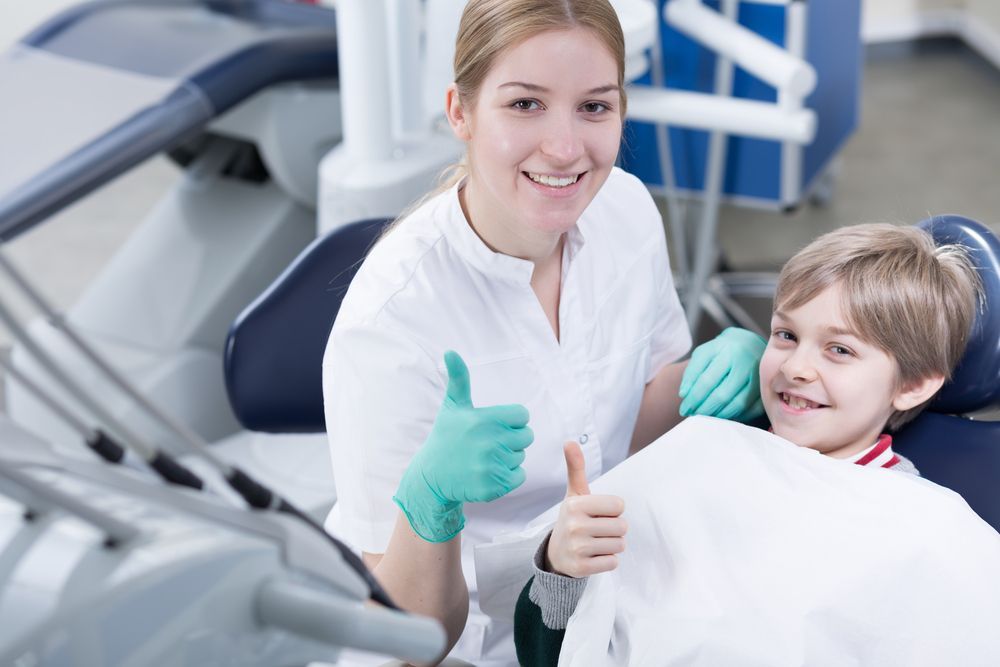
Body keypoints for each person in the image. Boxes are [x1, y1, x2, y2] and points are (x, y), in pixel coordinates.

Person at [322, 0, 766, 664]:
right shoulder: (390, 322)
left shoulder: (625, 210)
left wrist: (748, 372)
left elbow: (626, 424)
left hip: (615, 593)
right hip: (480, 642)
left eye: (594, 107)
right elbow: (407, 640)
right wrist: (430, 506)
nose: (564, 148)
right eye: (526, 104)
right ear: (460, 112)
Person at [514, 223, 982, 665]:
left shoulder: (925, 532)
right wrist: (562, 568)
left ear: (915, 384)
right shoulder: (695, 457)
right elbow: (546, 654)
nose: (796, 366)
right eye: (786, 334)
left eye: (839, 350)